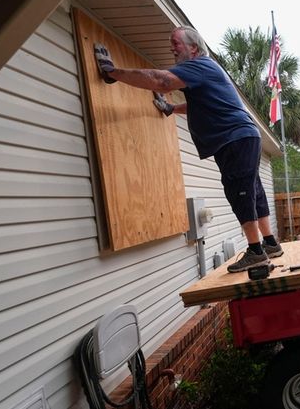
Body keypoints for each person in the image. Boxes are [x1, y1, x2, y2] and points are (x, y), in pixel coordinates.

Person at [93, 26, 282, 272]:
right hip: (242, 137)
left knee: (240, 191)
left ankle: (256, 251)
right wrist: (173, 109)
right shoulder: (205, 71)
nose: (172, 48)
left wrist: (113, 72)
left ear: (193, 47)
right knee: (251, 190)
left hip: (234, 138)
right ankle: (269, 244)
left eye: (175, 43)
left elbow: (162, 81)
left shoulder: (200, 65)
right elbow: (203, 105)